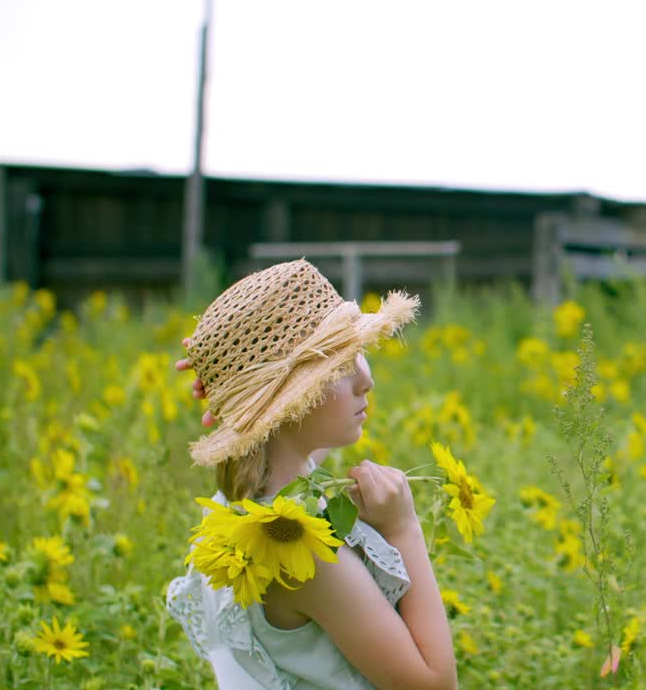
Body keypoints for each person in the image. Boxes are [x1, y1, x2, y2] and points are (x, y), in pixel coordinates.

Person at [164, 259, 457, 690]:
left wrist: (234, 378)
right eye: (339, 367)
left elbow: (287, 440)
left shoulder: (241, 511)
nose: (366, 379)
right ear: (285, 405)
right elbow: (435, 685)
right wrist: (403, 529)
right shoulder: (306, 557)